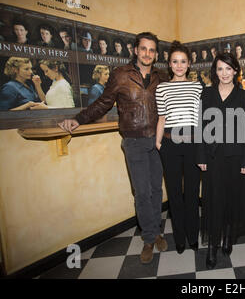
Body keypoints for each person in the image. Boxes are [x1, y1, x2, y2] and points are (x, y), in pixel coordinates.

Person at [58, 32, 169, 264]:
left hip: (158, 141)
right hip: (134, 141)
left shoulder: (162, 76)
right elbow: (103, 103)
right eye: (144, 49)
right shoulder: (120, 75)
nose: (148, 53)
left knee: (156, 190)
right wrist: (78, 118)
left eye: (152, 50)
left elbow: (170, 106)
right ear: (136, 50)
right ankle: (149, 238)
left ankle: (157, 231)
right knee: (141, 192)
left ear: (156, 54)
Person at [196, 52, 245, 269]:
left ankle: (229, 236)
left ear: (236, 71)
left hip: (237, 157)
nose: (224, 73)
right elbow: (200, 127)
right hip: (212, 157)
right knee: (213, 200)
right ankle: (212, 246)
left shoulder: (244, 96)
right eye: (220, 69)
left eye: (229, 68)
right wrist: (200, 155)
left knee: (232, 199)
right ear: (215, 71)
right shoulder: (206, 94)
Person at [155, 41, 203, 255]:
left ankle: (193, 236)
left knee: (192, 192)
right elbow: (162, 117)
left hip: (193, 143)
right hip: (169, 144)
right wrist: (158, 142)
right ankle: (180, 239)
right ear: (169, 64)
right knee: (174, 193)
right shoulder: (162, 88)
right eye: (175, 61)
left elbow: (201, 118)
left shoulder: (198, 86)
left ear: (189, 64)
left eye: (183, 61)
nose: (179, 65)